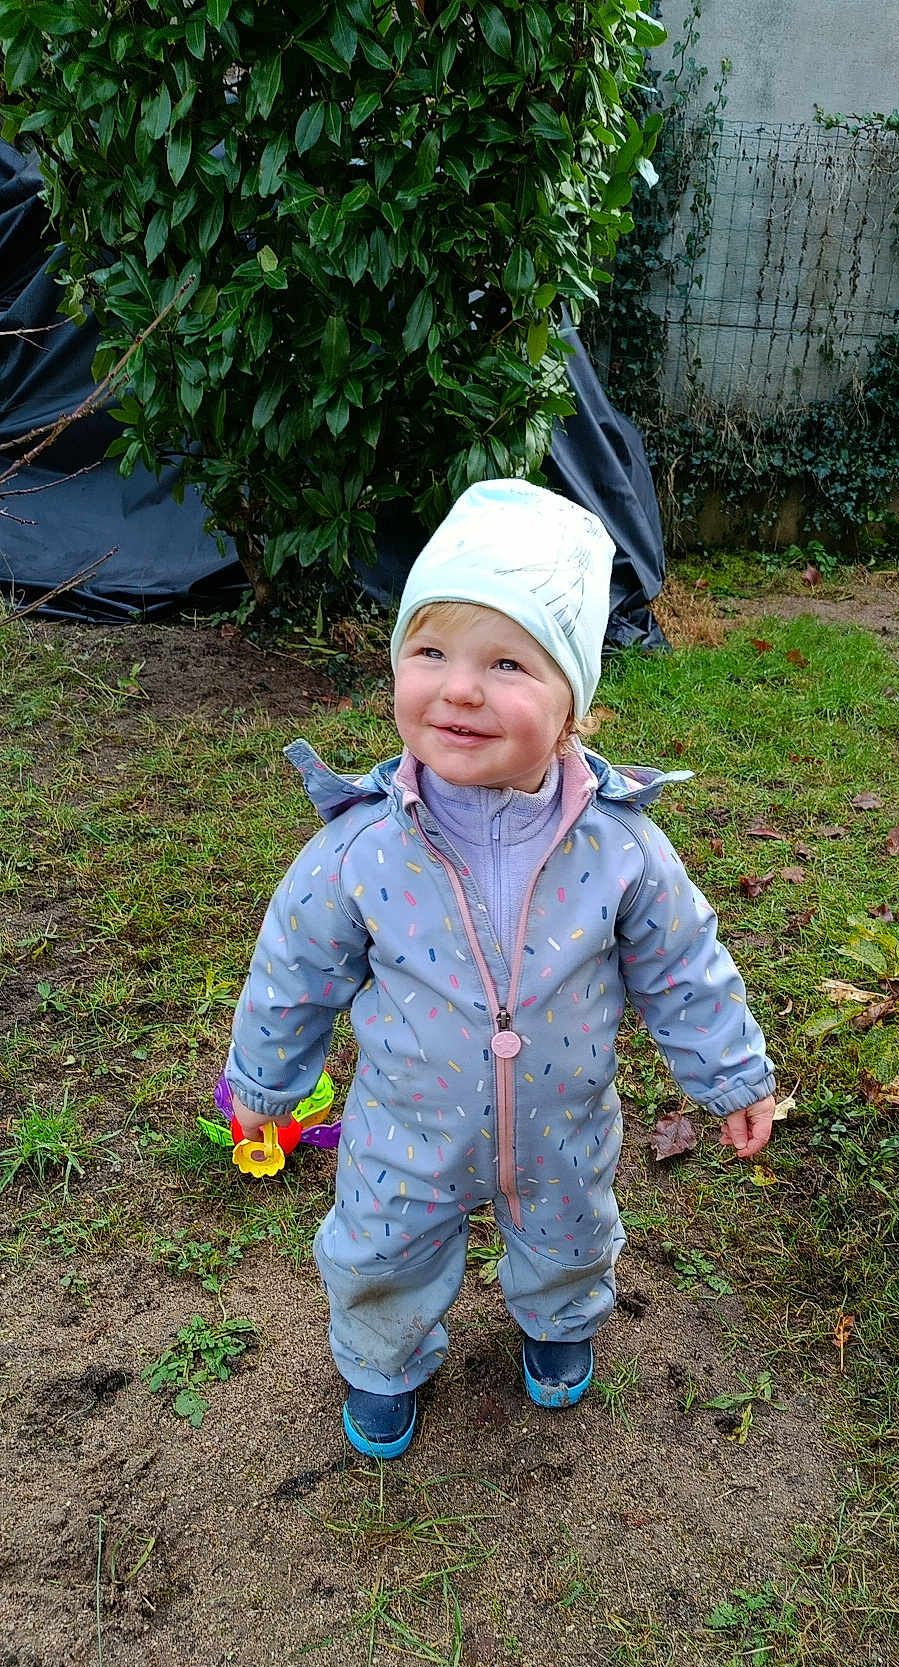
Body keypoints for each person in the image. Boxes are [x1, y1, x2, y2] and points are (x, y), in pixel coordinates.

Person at [225, 479, 776, 1461]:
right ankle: (382, 1360)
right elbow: (292, 969)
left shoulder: (620, 848)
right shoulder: (361, 847)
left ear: (573, 707)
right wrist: (265, 1085)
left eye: (508, 663)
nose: (462, 687)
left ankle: (559, 1325)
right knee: (383, 1247)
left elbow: (685, 965)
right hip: (408, 1123)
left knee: (571, 1234)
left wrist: (729, 1074)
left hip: (562, 1122)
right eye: (429, 652)